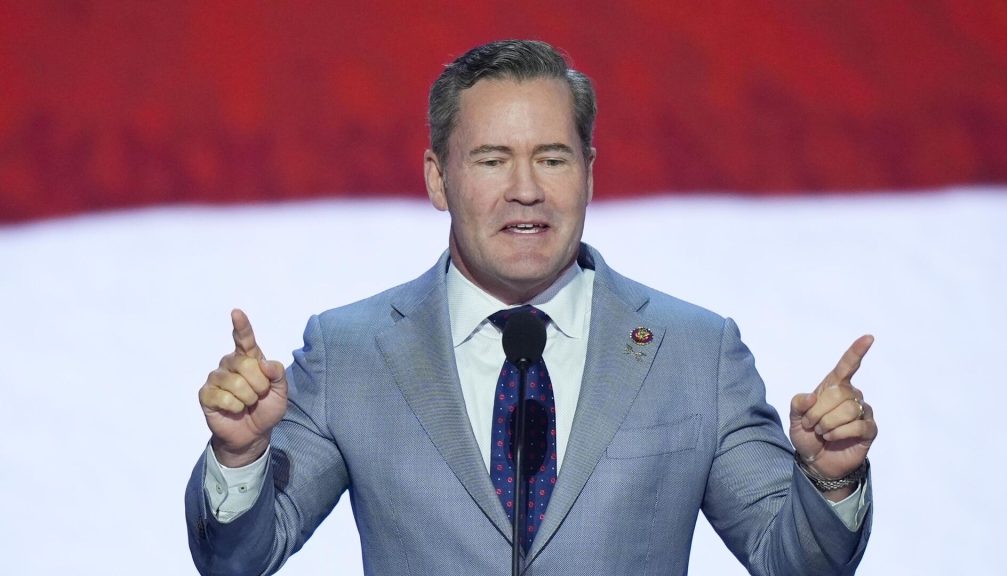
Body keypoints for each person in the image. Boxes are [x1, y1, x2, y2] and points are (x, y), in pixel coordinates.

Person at [186, 39, 876, 575]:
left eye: (552, 159)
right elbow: (236, 561)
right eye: (491, 160)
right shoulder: (352, 353)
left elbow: (796, 562)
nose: (526, 190)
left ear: (589, 173)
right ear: (438, 179)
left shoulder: (695, 352)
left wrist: (828, 478)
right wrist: (240, 455)